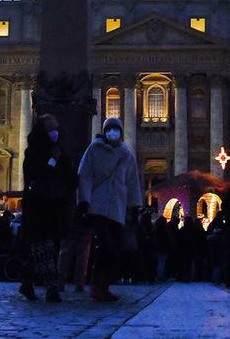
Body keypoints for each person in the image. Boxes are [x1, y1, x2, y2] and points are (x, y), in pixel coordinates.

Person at [76, 116, 142, 303]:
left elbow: (132, 182)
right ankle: (97, 287)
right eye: (110, 129)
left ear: (121, 131)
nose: (113, 132)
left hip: (117, 208)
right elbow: (85, 176)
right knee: (106, 246)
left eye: (116, 129)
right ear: (104, 131)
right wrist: (83, 201)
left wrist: (134, 205)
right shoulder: (94, 150)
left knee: (114, 249)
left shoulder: (126, 154)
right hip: (97, 206)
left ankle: (104, 285)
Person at [20, 114, 74, 302]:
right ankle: (52, 287)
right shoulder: (32, 152)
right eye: (50, 129)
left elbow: (69, 176)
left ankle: (27, 282)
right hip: (38, 206)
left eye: (56, 129)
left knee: (47, 248)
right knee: (44, 247)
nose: (54, 133)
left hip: (56, 205)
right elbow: (33, 176)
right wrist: (52, 161)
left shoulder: (61, 152)